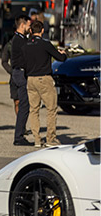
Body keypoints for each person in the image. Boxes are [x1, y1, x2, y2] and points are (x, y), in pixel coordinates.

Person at [23, 20, 67, 148]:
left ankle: (37, 139)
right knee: (51, 109)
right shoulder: (45, 44)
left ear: (30, 31)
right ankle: (51, 138)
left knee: (34, 110)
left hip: (30, 79)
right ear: (42, 30)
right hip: (44, 79)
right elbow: (60, 58)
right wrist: (63, 54)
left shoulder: (25, 45)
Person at [0, 15, 32, 146]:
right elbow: (5, 61)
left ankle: (20, 132)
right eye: (29, 26)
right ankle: (19, 135)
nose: (30, 28)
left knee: (24, 105)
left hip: (19, 74)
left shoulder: (21, 39)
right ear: (23, 25)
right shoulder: (16, 41)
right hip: (18, 75)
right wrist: (13, 72)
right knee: (21, 104)